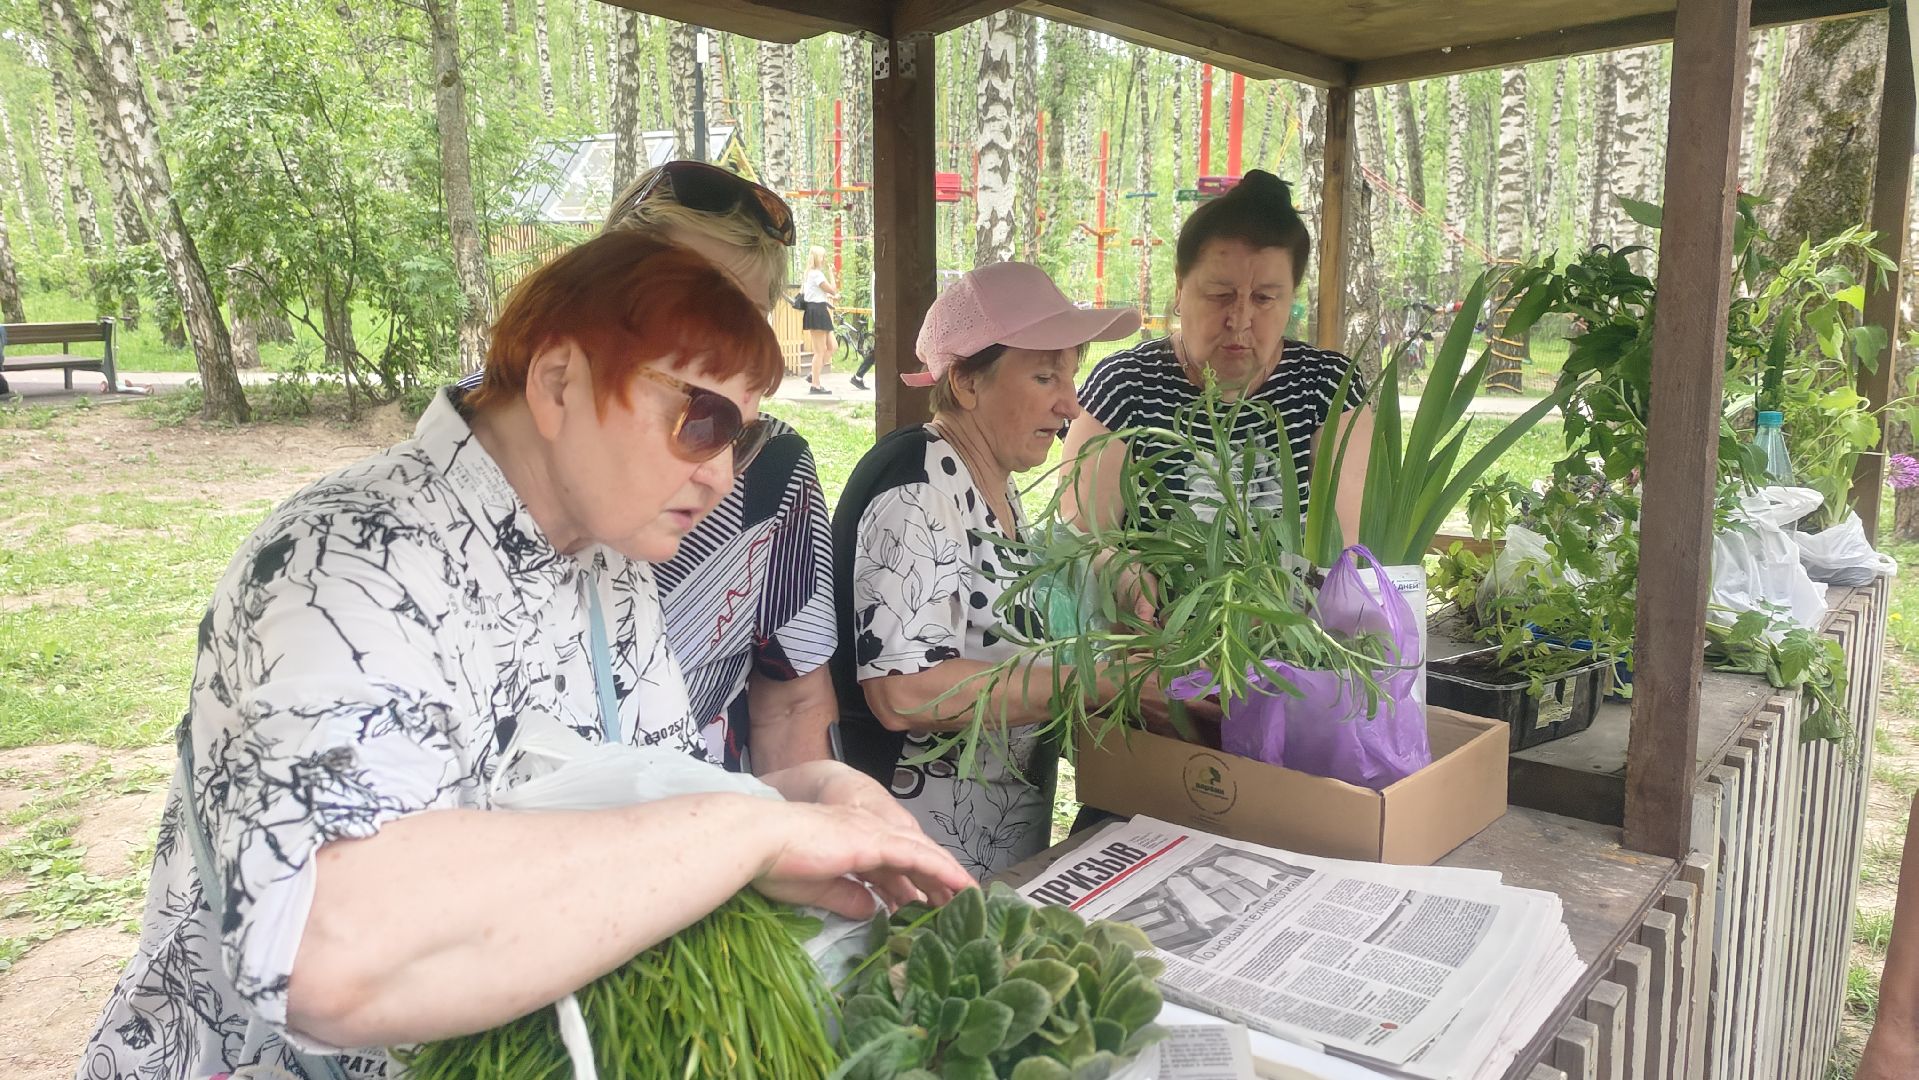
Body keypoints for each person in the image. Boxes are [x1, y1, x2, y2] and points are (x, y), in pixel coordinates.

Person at [78, 233, 971, 1080]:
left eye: (739, 437)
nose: (723, 474)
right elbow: (329, 949)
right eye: (701, 420)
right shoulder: (347, 559)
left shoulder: (603, 562)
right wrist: (751, 832)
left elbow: (633, 811)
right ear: (557, 383)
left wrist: (803, 799)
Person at [459, 161, 841, 775]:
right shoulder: (459, 489)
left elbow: (790, 701)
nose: (719, 473)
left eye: (739, 322)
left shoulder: (761, 473)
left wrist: (799, 817)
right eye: (683, 309)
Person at [830, 262, 1191, 879]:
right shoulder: (919, 488)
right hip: (913, 865)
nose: (1070, 404)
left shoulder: (986, 476)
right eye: (1045, 376)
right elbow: (904, 690)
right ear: (967, 382)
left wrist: (1107, 567)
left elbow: (988, 585)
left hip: (987, 852)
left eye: (1070, 376)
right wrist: (1100, 682)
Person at [1061, 169, 1372, 544]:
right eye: (1220, 295)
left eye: (1264, 298)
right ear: (1180, 287)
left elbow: (1346, 551)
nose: (1239, 320)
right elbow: (1080, 542)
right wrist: (1133, 572)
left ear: (1291, 298)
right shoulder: (1124, 386)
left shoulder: (1327, 388)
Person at [801, 246, 840, 394]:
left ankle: (813, 373)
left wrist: (828, 296)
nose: (824, 259)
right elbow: (833, 289)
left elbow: (814, 293)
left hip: (820, 309)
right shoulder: (816, 274)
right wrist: (831, 273)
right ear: (817, 258)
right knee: (819, 351)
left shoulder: (811, 274)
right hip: (817, 312)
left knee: (833, 346)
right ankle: (815, 385)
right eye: (823, 257)